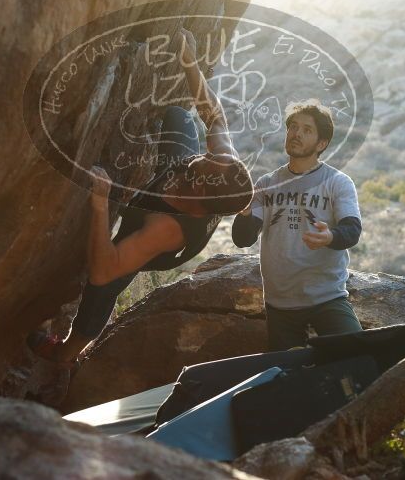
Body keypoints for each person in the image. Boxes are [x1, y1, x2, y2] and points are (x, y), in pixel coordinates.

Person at [30, 28, 253, 367]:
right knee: (179, 116)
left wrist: (101, 203)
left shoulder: (164, 229)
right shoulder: (220, 164)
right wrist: (189, 62)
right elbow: (214, 116)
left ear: (200, 196)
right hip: (185, 196)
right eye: (210, 157)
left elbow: (103, 271)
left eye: (200, 171)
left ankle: (65, 354)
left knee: (103, 287)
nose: (202, 158)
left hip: (161, 235)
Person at [232, 99, 363, 351]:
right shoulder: (267, 183)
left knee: (356, 356)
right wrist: (245, 213)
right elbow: (243, 239)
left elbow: (352, 230)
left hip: (327, 297)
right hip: (280, 303)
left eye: (307, 130)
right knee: (286, 377)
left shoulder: (338, 182)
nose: (297, 133)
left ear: (321, 143)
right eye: (293, 126)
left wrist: (330, 237)